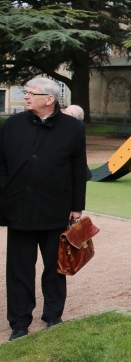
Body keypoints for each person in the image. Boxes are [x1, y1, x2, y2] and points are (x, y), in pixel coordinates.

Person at [0, 78, 88, 341]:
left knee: (55, 266)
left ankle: (52, 314)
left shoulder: (72, 128)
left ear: (49, 99)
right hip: (18, 208)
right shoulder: (12, 125)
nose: (25, 96)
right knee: (19, 269)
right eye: (25, 93)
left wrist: (76, 206)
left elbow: (77, 169)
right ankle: (19, 321)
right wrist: (5, 190)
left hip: (55, 209)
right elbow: (1, 163)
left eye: (30, 93)